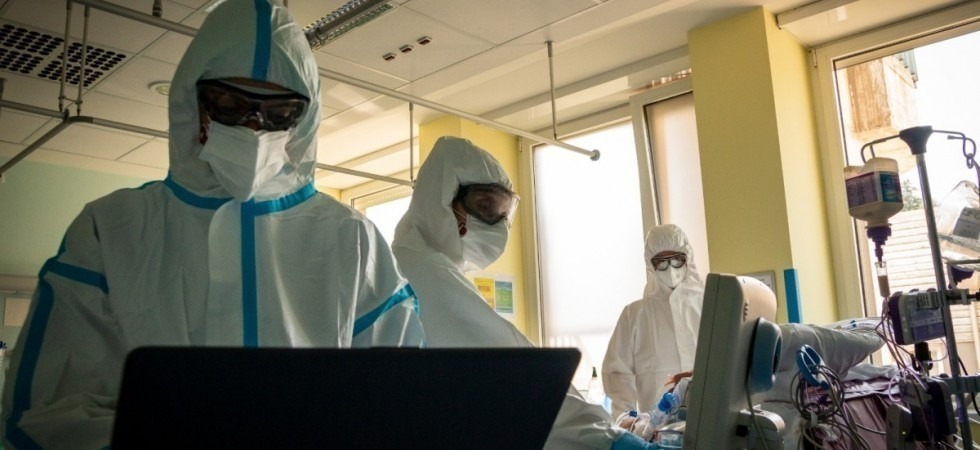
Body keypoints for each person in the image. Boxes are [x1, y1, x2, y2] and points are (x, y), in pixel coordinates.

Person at [1, 1, 423, 448]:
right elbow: (45, 411)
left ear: (304, 120)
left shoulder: (352, 238)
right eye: (229, 104)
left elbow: (399, 397)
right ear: (193, 102)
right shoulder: (111, 227)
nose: (254, 127)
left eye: (280, 113)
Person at [391, 136, 654, 450]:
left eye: (503, 211)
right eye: (485, 206)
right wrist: (607, 439)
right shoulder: (423, 275)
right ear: (442, 198)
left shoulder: (421, 265)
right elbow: (522, 380)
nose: (498, 224)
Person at [602, 224, 704, 416]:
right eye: (661, 262)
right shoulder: (634, 315)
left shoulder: (710, 306)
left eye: (677, 259)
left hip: (711, 420)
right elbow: (616, 374)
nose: (670, 269)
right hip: (658, 426)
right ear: (651, 265)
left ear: (688, 258)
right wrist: (627, 418)